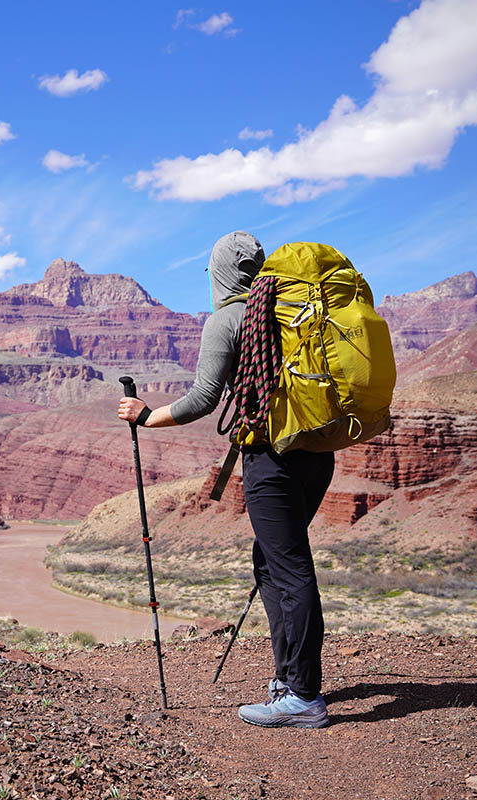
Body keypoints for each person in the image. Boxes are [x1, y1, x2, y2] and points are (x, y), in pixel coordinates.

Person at [116, 230, 333, 729]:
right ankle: (288, 678)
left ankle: (303, 696)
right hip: (317, 454)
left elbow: (203, 399)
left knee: (290, 567)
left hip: (271, 459)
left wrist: (145, 415)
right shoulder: (293, 307)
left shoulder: (229, 319)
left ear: (219, 274)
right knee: (272, 563)